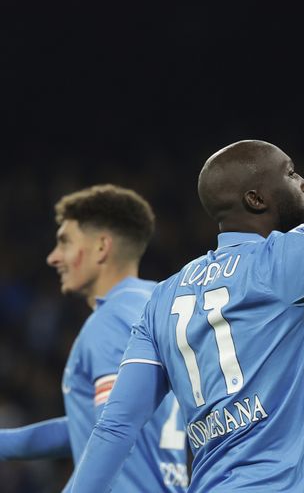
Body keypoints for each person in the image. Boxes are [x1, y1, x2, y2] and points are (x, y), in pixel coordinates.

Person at [70, 31, 304, 492]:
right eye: (291, 174)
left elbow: (115, 429)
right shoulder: (288, 260)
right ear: (256, 199)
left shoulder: (162, 299)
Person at [0, 184, 188, 492]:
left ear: (102, 247)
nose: (53, 257)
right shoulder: (157, 303)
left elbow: (113, 436)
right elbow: (90, 425)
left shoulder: (111, 319)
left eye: (65, 242)